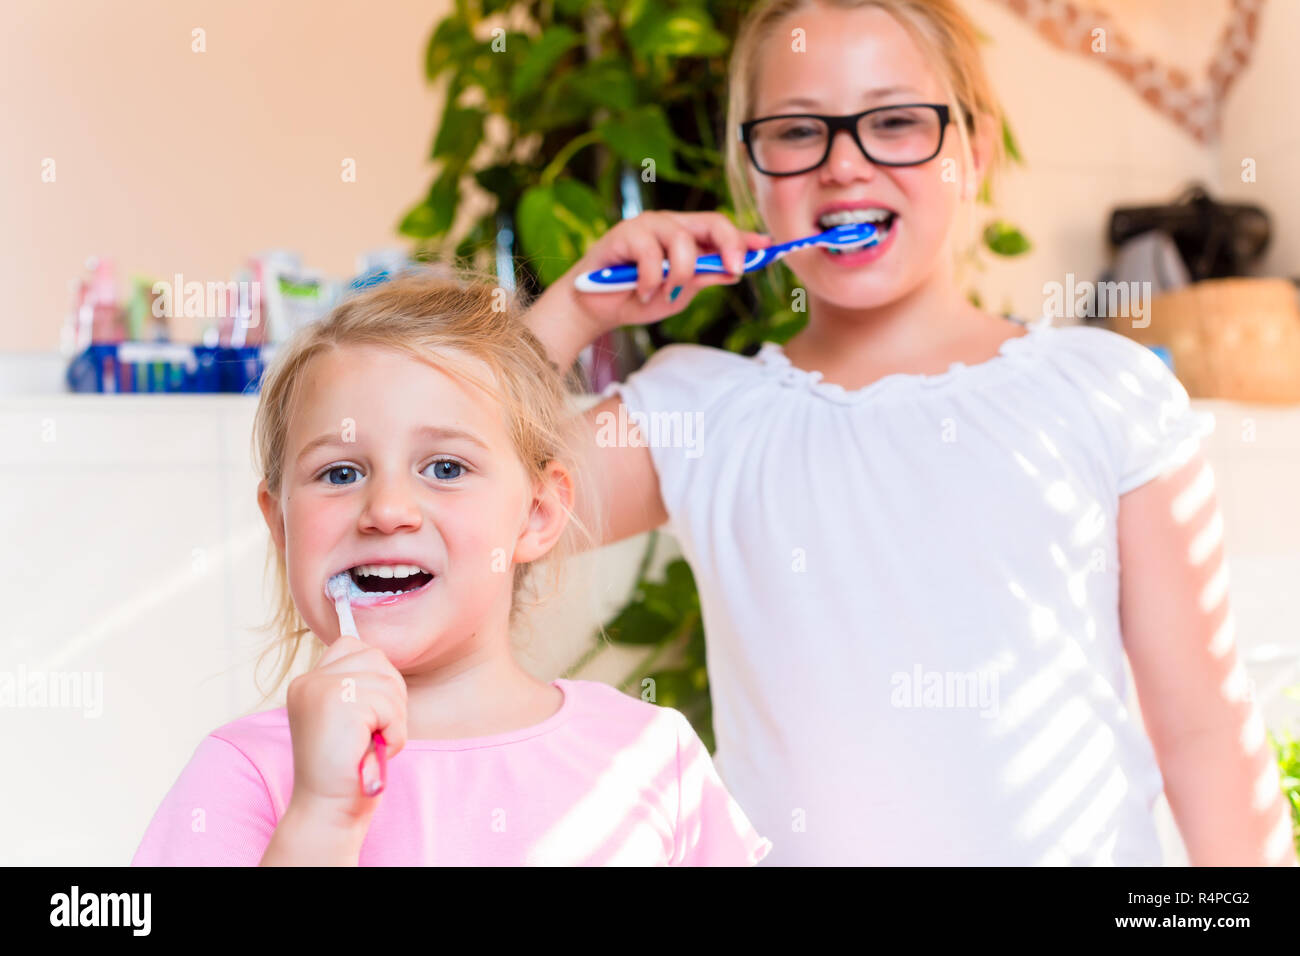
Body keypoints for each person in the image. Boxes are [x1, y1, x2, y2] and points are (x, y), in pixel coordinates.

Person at [520, 0, 1297, 865]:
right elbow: (466, 508)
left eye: (894, 121)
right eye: (797, 131)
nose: (844, 164)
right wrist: (572, 312)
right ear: (751, 173)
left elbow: (1205, 735)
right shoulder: (698, 415)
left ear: (978, 147)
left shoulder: (1102, 391)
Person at [131, 271, 772, 866]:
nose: (385, 510)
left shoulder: (653, 756)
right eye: (340, 473)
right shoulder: (247, 773)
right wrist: (320, 817)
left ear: (538, 514)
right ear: (280, 525)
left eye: (445, 468)